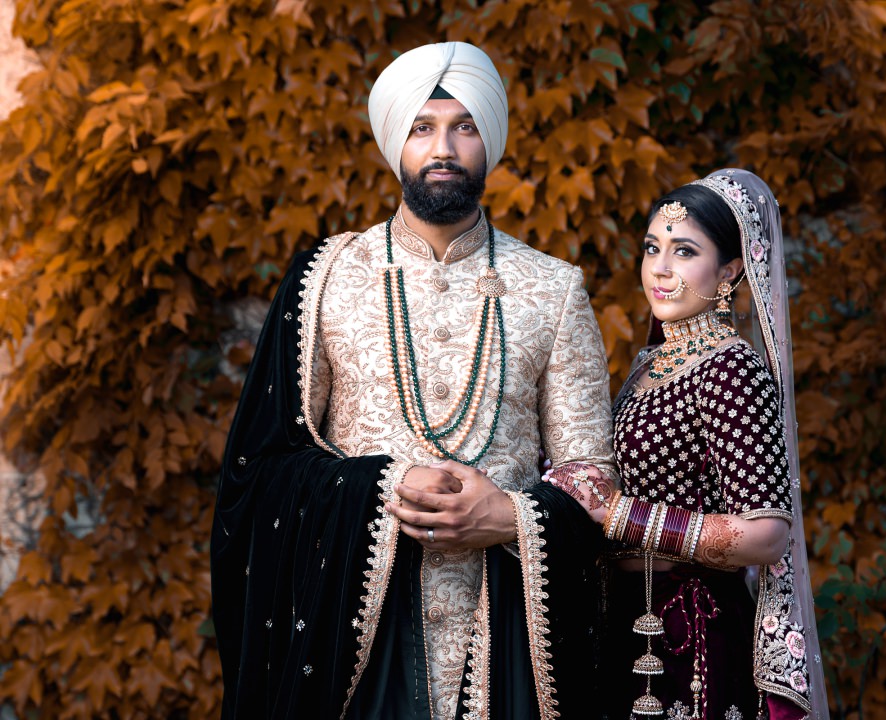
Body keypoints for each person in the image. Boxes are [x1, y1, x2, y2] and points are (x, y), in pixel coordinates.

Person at [211, 42, 617, 720]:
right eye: (423, 128)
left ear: (489, 141)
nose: (444, 147)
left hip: (505, 635)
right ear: (396, 141)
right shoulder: (325, 278)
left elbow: (594, 482)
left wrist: (510, 518)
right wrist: (382, 484)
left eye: (464, 126)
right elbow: (262, 470)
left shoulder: (553, 288)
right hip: (351, 626)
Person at [545, 170, 829, 719]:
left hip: (692, 631)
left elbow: (767, 535)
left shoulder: (731, 369)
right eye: (653, 248)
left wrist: (623, 515)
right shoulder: (651, 364)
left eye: (684, 251)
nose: (660, 267)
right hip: (626, 619)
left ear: (729, 271)